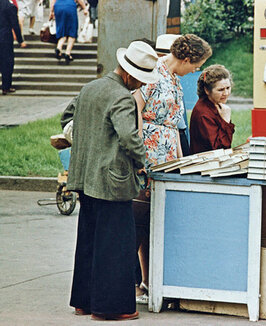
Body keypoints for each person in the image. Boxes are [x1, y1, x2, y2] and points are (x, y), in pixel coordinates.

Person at [60, 41, 159, 321]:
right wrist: (145, 163)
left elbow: (67, 118)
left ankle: (84, 302)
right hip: (112, 180)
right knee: (115, 244)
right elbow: (129, 137)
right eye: (140, 79)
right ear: (129, 73)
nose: (139, 85)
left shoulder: (90, 87)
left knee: (90, 239)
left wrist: (90, 142)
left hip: (86, 176)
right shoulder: (122, 96)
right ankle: (111, 308)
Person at [132, 33, 211, 304]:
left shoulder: (175, 79)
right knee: (142, 219)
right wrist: (139, 157)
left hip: (167, 154)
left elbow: (176, 126)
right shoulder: (154, 72)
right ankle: (140, 282)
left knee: (159, 220)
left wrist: (180, 161)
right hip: (149, 153)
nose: (197, 70)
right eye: (197, 64)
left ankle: (154, 280)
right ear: (187, 59)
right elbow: (137, 110)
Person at [189, 64, 235, 154]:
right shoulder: (203, 113)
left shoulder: (214, 105)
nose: (226, 93)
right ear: (207, 90)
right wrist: (225, 121)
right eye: (221, 90)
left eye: (228, 88)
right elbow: (220, 149)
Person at [1, 0, 27, 95]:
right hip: (5, 38)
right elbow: (15, 25)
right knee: (7, 63)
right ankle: (6, 86)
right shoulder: (10, 7)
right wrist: (20, 40)